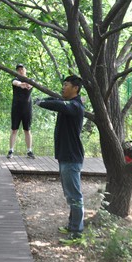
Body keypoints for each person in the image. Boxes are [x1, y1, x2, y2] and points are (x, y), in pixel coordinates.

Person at [36, 75, 85, 240]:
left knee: (75, 196)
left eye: (66, 85)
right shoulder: (68, 104)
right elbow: (56, 101)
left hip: (72, 157)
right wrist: (42, 100)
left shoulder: (75, 106)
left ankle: (77, 232)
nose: (63, 87)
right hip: (66, 156)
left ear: (75, 88)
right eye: (63, 84)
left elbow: (57, 104)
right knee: (70, 194)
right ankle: (72, 225)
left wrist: (41, 103)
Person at [8, 64, 35, 159]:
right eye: (18, 69)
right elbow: (15, 83)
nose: (20, 71)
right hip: (16, 108)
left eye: (22, 69)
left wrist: (26, 84)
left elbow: (30, 85)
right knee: (14, 129)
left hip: (27, 108)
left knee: (27, 130)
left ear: (25, 70)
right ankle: (11, 150)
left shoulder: (31, 80)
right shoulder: (15, 80)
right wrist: (20, 84)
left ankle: (29, 151)